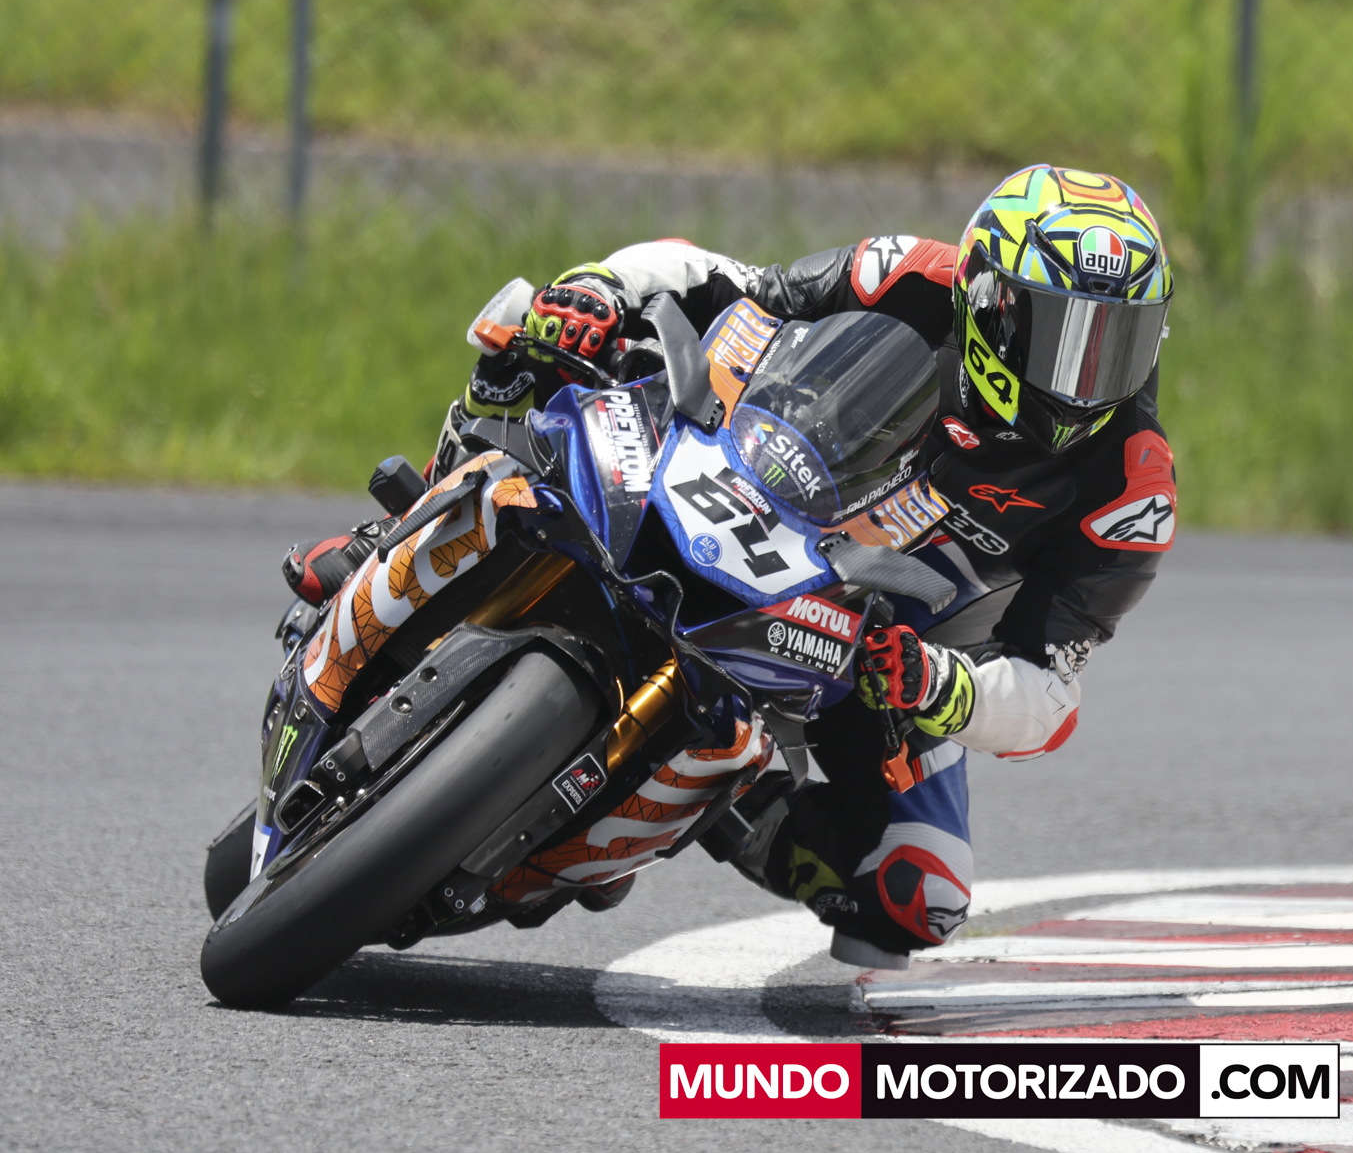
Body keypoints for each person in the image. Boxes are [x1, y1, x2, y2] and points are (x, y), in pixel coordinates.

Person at [286, 165, 1177, 967]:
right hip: (745, 481)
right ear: (989, 301)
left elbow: (1047, 693)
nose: (1086, 379)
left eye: (1118, 344)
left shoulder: (1129, 486)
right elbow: (733, 282)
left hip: (879, 653)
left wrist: (939, 687)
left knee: (920, 894)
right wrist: (602, 290)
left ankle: (709, 797)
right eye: (1065, 338)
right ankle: (397, 530)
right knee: (536, 325)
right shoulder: (911, 274)